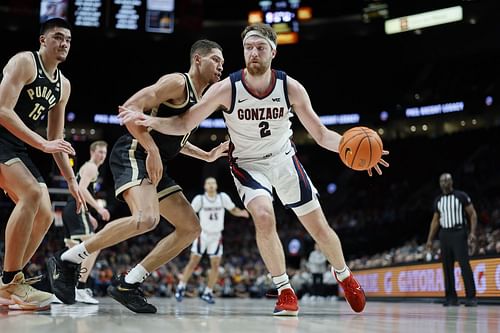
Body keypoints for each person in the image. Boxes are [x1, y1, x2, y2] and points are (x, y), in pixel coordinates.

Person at [119, 23, 389, 316]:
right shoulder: (227, 88)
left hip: (284, 160)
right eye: (248, 47)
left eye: (260, 47)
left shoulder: (290, 87)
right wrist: (152, 122)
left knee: (319, 229)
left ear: (273, 51)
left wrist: (355, 153)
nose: (253, 53)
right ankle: (285, 289)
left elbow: (322, 135)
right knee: (263, 215)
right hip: (248, 164)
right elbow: (185, 123)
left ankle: (344, 274)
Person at [47, 39, 227, 313]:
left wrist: (208, 156)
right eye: (216, 59)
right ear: (198, 60)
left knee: (191, 227)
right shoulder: (178, 83)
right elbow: (128, 110)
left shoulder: (202, 100)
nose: (221, 65)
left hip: (156, 161)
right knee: (147, 218)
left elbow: (176, 139)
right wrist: (151, 148)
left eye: (222, 61)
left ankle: (128, 283)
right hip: (134, 151)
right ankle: (66, 260)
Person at [0, 17, 85, 310]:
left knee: (46, 213)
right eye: (58, 37)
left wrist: (73, 183)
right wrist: (43, 144)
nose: (64, 44)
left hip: (15, 147)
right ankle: (11, 281)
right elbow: (1, 110)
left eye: (69, 40)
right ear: (43, 41)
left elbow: (56, 137)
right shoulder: (25, 62)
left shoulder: (63, 86)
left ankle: (7, 284)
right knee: (32, 194)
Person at [175, 177, 249, 304]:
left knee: (215, 265)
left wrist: (242, 213)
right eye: (208, 183)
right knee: (193, 262)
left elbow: (233, 209)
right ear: (205, 186)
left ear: (216, 185)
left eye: (213, 183)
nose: (211, 185)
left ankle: (208, 292)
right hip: (202, 235)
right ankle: (181, 287)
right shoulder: (200, 199)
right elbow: (190, 214)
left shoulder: (222, 198)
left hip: (216, 236)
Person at [62, 140, 110, 304]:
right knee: (94, 246)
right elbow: (82, 189)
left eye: (104, 152)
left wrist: (87, 213)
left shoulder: (86, 167)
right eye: (100, 152)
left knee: (72, 253)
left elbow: (80, 190)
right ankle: (80, 288)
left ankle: (62, 288)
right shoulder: (91, 167)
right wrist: (98, 208)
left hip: (70, 209)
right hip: (76, 208)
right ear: (92, 152)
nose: (102, 155)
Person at [425, 173, 478, 307]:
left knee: (464, 265)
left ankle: (471, 297)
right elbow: (435, 221)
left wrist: (472, 233)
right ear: (439, 183)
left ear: (452, 182)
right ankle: (451, 298)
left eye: (447, 180)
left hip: (459, 232)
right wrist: (430, 239)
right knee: (447, 267)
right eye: (442, 181)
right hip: (444, 234)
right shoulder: (438, 200)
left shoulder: (461, 196)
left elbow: (472, 214)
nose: (445, 183)